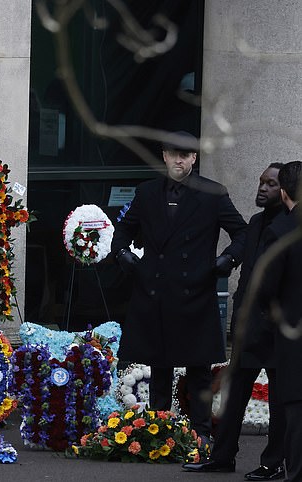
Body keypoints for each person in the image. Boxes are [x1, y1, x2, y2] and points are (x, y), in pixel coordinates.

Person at [111, 131, 247, 450]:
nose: (179, 160)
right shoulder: (147, 193)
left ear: (194, 158)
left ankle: (201, 431)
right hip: (154, 291)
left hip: (195, 292)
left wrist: (227, 259)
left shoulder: (212, 193)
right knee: (159, 366)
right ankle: (159, 426)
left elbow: (241, 232)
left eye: (185, 155)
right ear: (164, 156)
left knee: (198, 367)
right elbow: (124, 230)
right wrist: (122, 255)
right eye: (173, 154)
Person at [183, 163, 286, 479]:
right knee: (232, 397)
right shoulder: (255, 223)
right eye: (260, 181)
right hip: (248, 329)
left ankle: (273, 464)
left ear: (284, 191)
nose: (262, 188)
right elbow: (248, 277)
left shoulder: (289, 225)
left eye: (270, 184)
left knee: (279, 402)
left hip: (276, 330)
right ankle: (222, 457)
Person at [257, 161, 302, 482]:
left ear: (284, 193)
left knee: (296, 411)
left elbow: (266, 288)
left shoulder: (280, 231)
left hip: (292, 333)